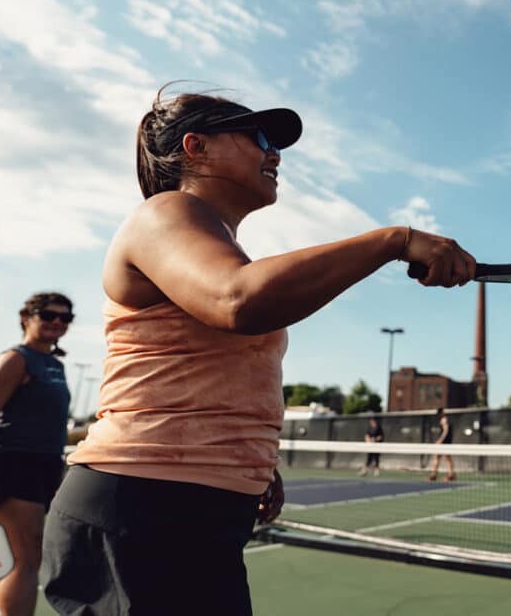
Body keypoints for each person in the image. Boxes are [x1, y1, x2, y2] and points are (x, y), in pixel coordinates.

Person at [41, 85, 476, 616]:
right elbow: (236, 300)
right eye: (260, 136)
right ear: (195, 147)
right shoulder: (163, 213)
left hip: (194, 513)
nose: (275, 153)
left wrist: (250, 461)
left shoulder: (215, 243)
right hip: (138, 507)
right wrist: (393, 241)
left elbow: (216, 370)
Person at [0, 292, 73, 616]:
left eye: (65, 317)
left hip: (42, 465)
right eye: (48, 314)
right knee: (25, 558)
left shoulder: (54, 364)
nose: (57, 321)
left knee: (17, 557)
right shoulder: (17, 358)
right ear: (27, 317)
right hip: (15, 463)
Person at [427, 407, 455, 482]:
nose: (439, 415)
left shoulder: (444, 420)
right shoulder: (444, 419)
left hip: (444, 443)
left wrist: (440, 440)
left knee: (444, 458)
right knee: (440, 458)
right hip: (445, 443)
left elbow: (446, 431)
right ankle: (435, 475)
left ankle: (449, 475)